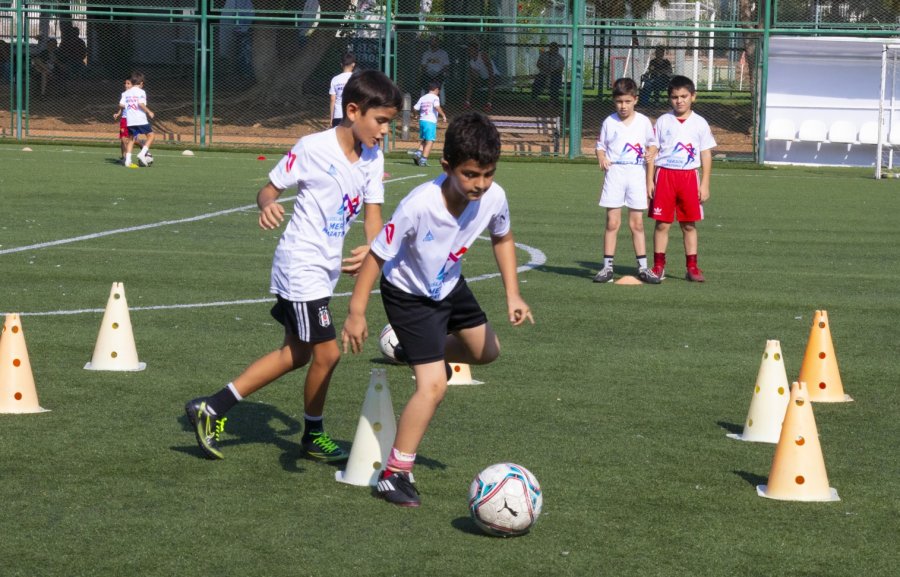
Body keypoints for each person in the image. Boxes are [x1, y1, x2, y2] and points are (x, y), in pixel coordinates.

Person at [185, 70, 402, 461]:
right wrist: (268, 205)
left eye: (390, 122)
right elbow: (268, 190)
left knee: (297, 354)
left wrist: (372, 247)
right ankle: (312, 434)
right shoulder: (312, 147)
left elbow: (373, 216)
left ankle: (213, 407)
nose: (386, 131)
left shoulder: (373, 158)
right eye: (381, 121)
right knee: (327, 354)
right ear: (353, 111)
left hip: (325, 268)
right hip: (300, 264)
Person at [341, 111, 534, 507]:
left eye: (488, 174)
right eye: (470, 175)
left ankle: (415, 351)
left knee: (487, 352)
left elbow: (503, 237)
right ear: (447, 166)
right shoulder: (419, 204)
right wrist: (356, 312)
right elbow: (377, 256)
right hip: (408, 295)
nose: (480, 184)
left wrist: (513, 294)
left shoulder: (494, 197)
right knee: (433, 386)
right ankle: (394, 474)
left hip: (449, 284)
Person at [646, 75, 716, 282]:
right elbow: (652, 150)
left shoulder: (700, 123)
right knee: (662, 224)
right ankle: (658, 266)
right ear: (670, 98)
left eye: (684, 96)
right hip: (665, 175)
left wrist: (705, 183)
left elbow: (706, 154)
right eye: (675, 97)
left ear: (693, 96)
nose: (680, 101)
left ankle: (692, 267)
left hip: (689, 177)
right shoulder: (663, 121)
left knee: (688, 224)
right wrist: (649, 180)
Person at [593, 77, 660, 285]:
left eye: (627, 101)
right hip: (615, 174)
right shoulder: (609, 122)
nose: (623, 106)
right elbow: (600, 146)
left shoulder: (643, 122)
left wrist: (651, 154)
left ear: (635, 100)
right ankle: (607, 267)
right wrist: (602, 157)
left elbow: (653, 144)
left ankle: (643, 268)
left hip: (636, 174)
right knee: (612, 222)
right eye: (619, 101)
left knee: (637, 223)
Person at [119, 71, 155, 168]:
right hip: (140, 119)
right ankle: (142, 153)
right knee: (151, 136)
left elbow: (121, 104)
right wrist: (149, 111)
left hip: (130, 120)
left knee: (131, 139)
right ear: (141, 83)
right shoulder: (141, 92)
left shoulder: (126, 93)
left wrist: (130, 105)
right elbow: (140, 104)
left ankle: (128, 161)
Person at [412, 80, 447, 167]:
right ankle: (423, 160)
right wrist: (443, 115)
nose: (439, 92)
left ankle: (418, 153)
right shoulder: (435, 98)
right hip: (430, 121)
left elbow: (415, 108)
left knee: (425, 140)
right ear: (436, 89)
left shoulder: (423, 97)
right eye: (439, 90)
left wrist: (415, 115)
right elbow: (436, 106)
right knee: (430, 141)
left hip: (422, 121)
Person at [465, 41, 497, 113]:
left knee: (491, 83)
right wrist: (477, 81)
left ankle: (489, 104)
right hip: (483, 79)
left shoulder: (482, 55)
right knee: (470, 82)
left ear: (476, 49)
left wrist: (491, 78)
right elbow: (474, 74)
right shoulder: (471, 62)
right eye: (469, 50)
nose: (470, 52)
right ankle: (467, 102)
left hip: (494, 76)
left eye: (472, 49)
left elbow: (490, 67)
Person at [419, 36, 450, 103]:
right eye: (432, 41)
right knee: (423, 81)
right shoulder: (426, 53)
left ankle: (442, 103)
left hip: (439, 74)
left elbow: (446, 66)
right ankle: (423, 102)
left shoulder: (443, 53)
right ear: (430, 42)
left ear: (438, 42)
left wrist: (438, 73)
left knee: (438, 81)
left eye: (435, 41)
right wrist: (427, 73)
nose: (433, 42)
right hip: (428, 74)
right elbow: (423, 66)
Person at [330, 52, 356, 128]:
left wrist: (331, 118)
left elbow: (332, 99)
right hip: (353, 115)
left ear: (341, 64)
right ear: (353, 64)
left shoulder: (335, 79)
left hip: (338, 115)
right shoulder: (356, 78)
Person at [112, 77, 133, 164]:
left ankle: (128, 157)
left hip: (133, 119)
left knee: (131, 139)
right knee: (123, 139)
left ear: (133, 85)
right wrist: (118, 113)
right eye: (125, 83)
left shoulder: (135, 94)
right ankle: (124, 157)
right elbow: (121, 106)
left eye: (128, 83)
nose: (126, 85)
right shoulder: (124, 94)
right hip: (124, 119)